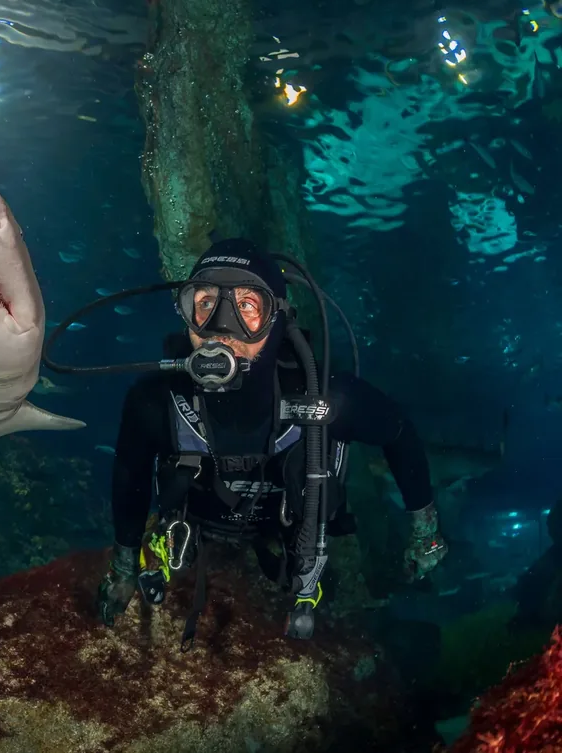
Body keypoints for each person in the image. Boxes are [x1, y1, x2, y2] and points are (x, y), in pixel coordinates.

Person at [97, 238, 448, 641]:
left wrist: (426, 532)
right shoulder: (155, 403)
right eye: (206, 303)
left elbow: (398, 432)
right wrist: (124, 568)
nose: (220, 327)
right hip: (195, 530)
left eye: (246, 306)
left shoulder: (329, 400)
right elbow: (129, 472)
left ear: (276, 319)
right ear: (187, 314)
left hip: (288, 532)